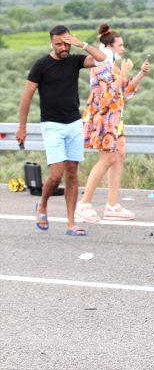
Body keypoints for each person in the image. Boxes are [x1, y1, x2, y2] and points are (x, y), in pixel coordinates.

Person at [15, 25, 106, 236]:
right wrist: (22, 127)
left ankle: (71, 223)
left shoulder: (74, 60)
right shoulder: (41, 65)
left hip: (74, 123)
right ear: (51, 44)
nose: (63, 47)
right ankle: (42, 205)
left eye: (66, 42)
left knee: (72, 173)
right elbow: (26, 97)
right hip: (52, 125)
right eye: (59, 44)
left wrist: (81, 44)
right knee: (56, 175)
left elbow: (102, 60)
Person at [75, 23, 150, 223]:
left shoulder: (112, 66)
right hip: (103, 119)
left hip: (115, 120)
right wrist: (124, 73)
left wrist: (141, 74)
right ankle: (84, 204)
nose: (123, 48)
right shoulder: (99, 67)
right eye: (120, 45)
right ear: (110, 46)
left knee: (119, 157)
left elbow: (125, 91)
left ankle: (112, 205)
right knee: (107, 159)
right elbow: (107, 98)